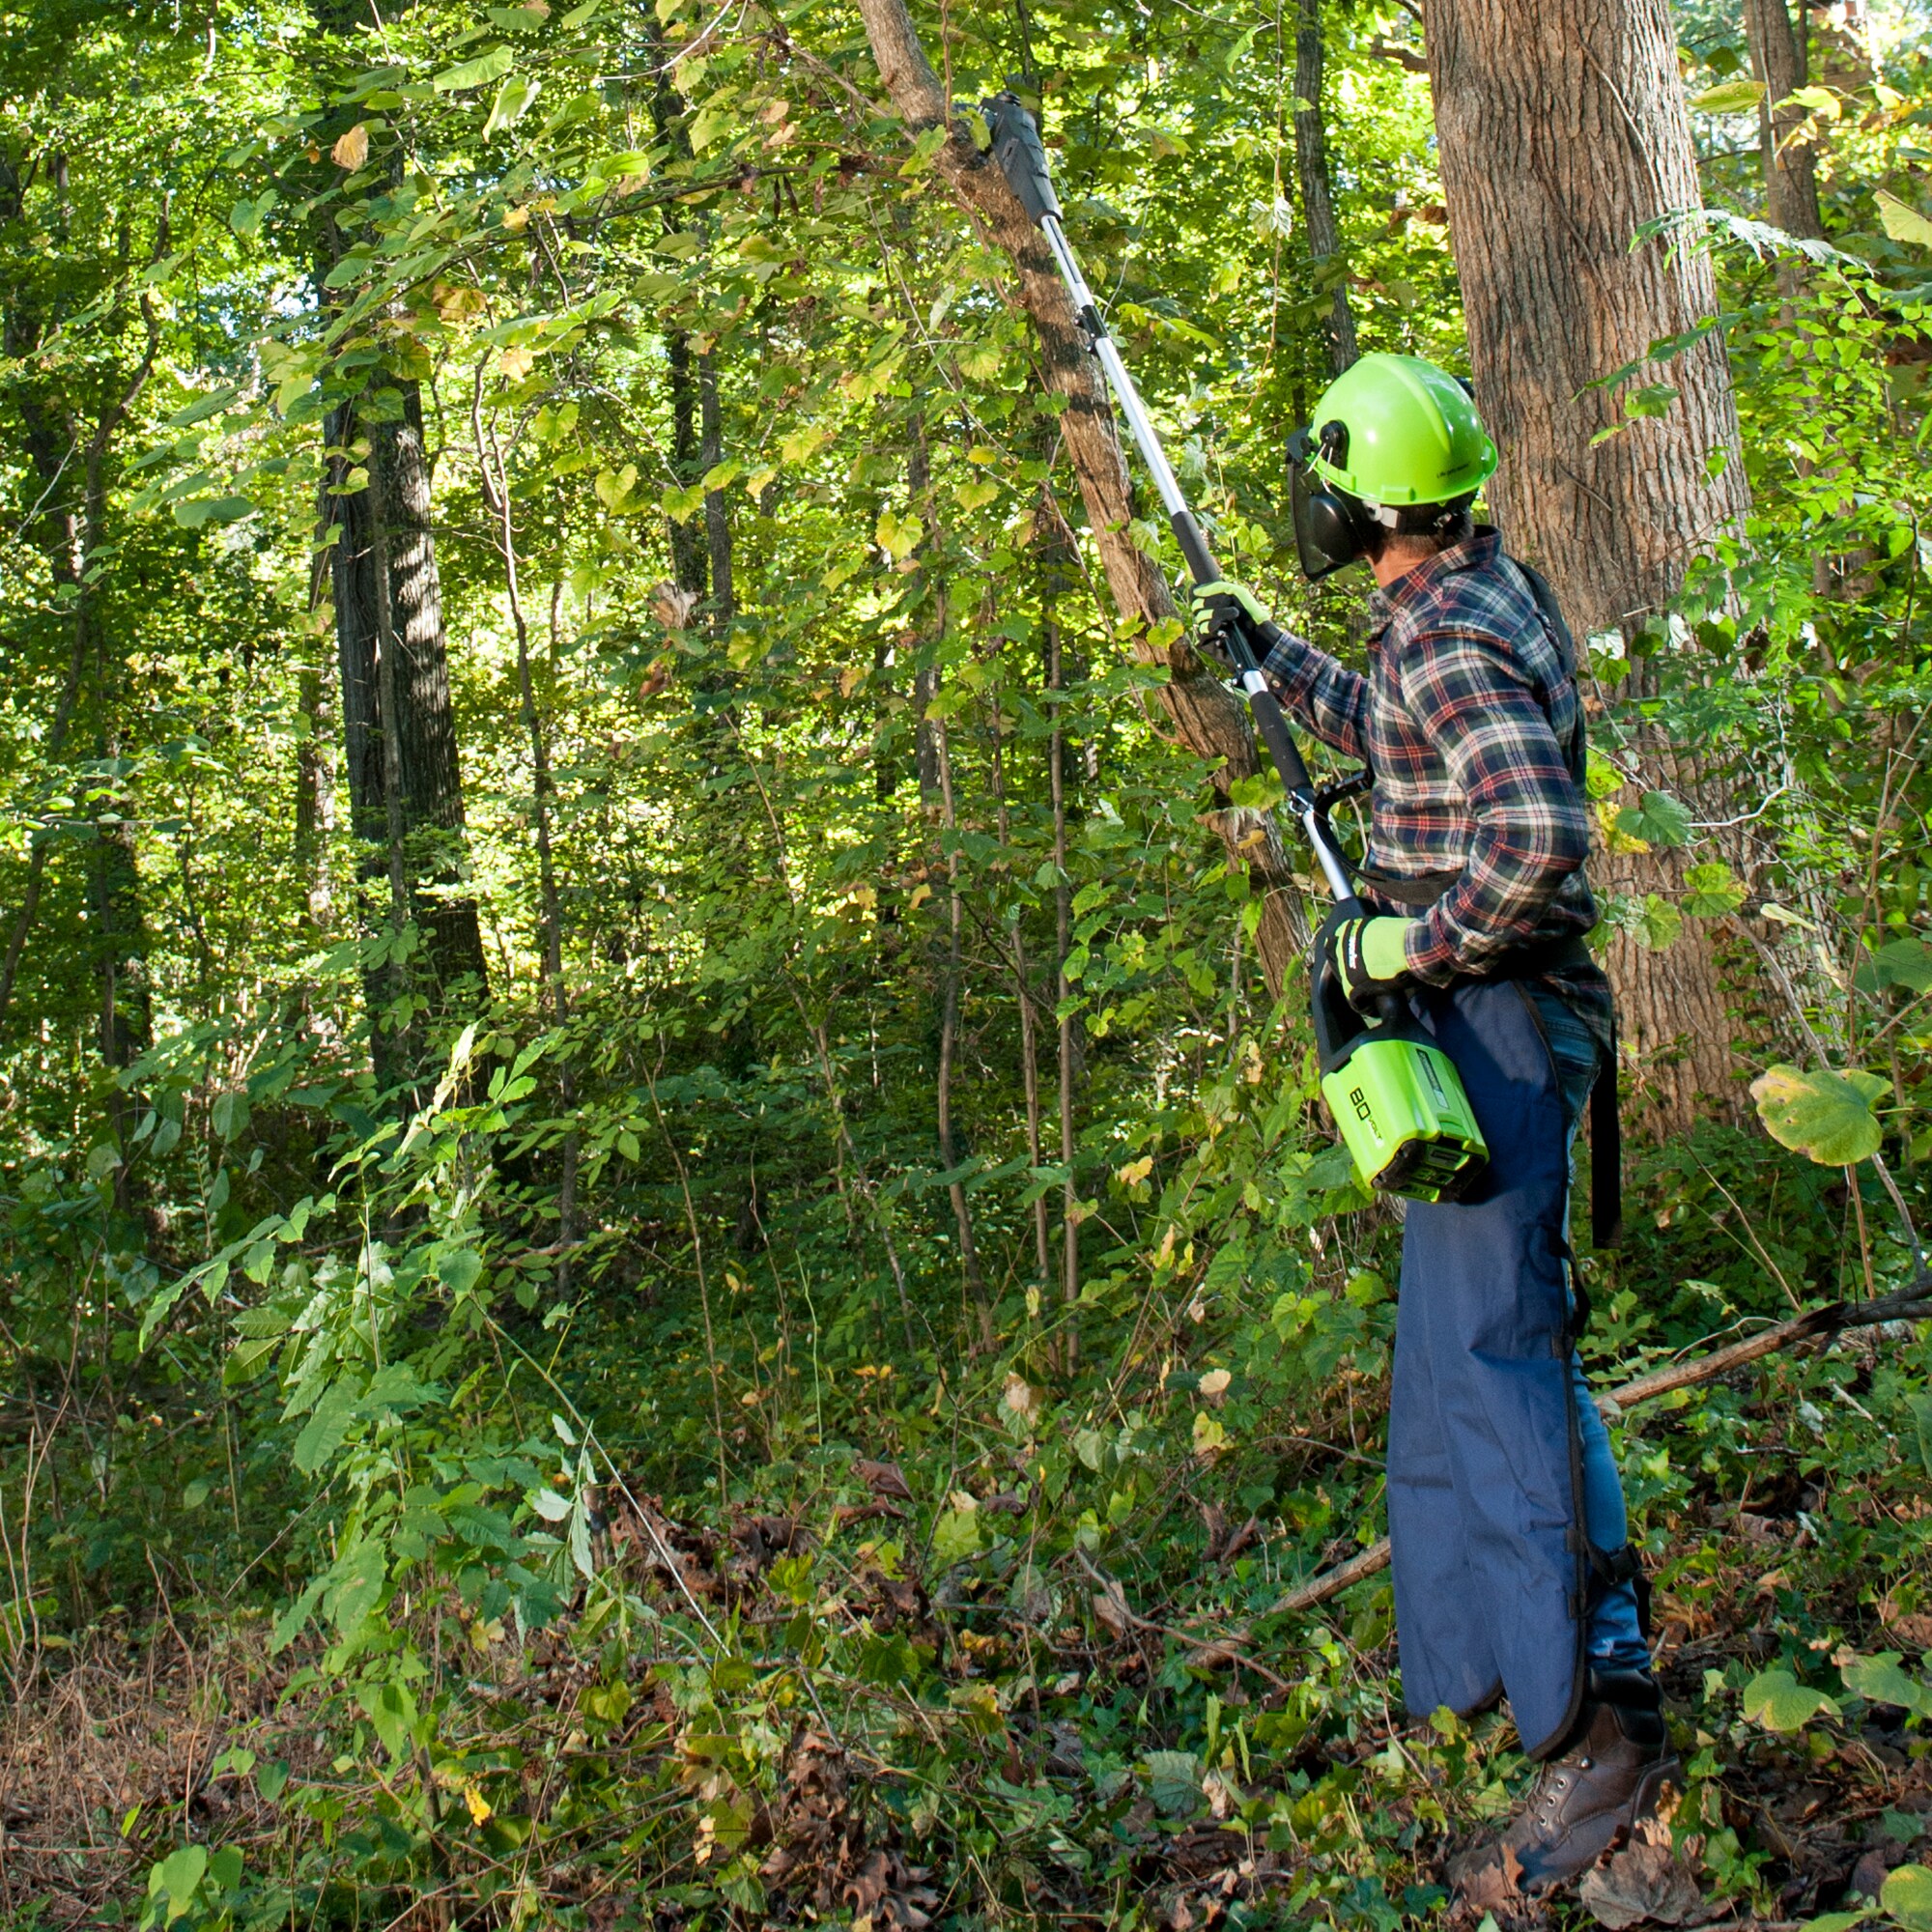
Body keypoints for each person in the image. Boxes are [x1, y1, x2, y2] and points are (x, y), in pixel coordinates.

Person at [1199, 353, 1679, 1896]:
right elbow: (1414, 745)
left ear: (1362, 497)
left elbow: (1530, 834)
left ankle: (1601, 1721)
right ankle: (1564, 1662)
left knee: (1504, 1357)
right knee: (1498, 1344)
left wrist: (1408, 946)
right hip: (1496, 1025)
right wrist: (1283, 666)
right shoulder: (1460, 601)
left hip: (1498, 1028)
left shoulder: (1452, 635)